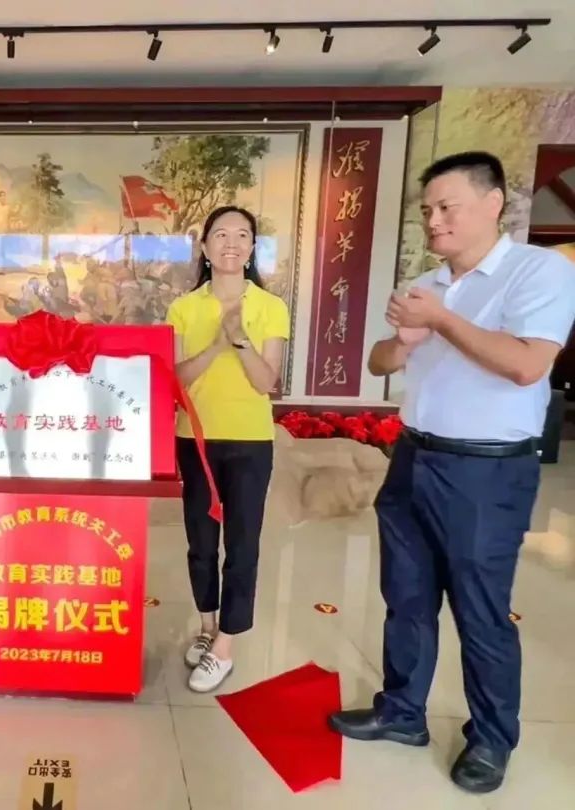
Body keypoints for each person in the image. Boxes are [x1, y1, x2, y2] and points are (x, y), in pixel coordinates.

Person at [328, 152, 575, 794]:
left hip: (487, 472)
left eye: (447, 207)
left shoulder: (539, 271)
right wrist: (404, 340)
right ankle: (402, 711)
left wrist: (439, 320)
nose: (434, 221)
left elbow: (527, 366)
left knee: (480, 608)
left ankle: (491, 738)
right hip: (414, 456)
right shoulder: (428, 284)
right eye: (427, 210)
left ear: (493, 204)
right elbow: (381, 361)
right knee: (406, 596)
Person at [167, 206, 289, 693]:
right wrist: (217, 343)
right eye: (221, 234)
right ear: (205, 247)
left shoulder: (270, 307)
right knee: (201, 542)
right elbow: (177, 380)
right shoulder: (183, 308)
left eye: (242, 235)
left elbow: (265, 382)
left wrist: (240, 341)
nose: (231, 243)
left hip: (250, 442)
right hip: (194, 438)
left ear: (253, 248)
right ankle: (207, 625)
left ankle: (225, 646)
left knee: (242, 545)